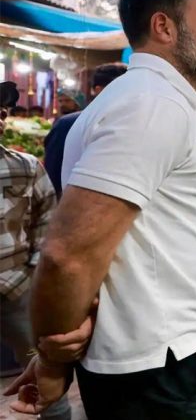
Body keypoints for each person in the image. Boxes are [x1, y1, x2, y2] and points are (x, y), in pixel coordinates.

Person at [7, 0, 196, 419]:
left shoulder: (154, 99)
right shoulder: (152, 104)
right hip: (167, 368)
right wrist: (54, 358)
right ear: (164, 27)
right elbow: (68, 255)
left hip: (168, 354)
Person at [0, 81, 72, 420]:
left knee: (44, 371)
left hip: (16, 287)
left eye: (2, 113)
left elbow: (48, 220)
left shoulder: (26, 166)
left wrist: (30, 271)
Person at [44, 63, 128, 196]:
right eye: (124, 88)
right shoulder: (68, 124)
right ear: (99, 90)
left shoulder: (134, 124)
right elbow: (52, 176)